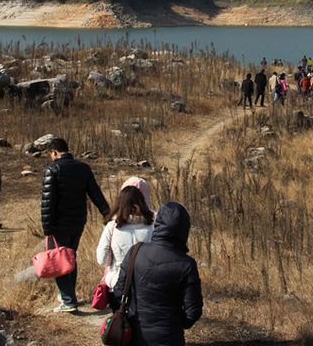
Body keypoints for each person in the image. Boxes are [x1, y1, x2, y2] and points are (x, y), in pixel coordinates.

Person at [113, 202, 203, 346]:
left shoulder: (135, 252)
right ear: (184, 229)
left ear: (158, 224)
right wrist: (175, 324)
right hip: (170, 338)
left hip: (135, 335)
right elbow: (193, 311)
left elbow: (119, 292)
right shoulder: (187, 264)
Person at [41, 138, 111, 313]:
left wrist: (47, 228)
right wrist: (106, 212)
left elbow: (47, 202)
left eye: (51, 154)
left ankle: (68, 300)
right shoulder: (83, 168)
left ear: (54, 152)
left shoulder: (53, 169)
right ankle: (68, 295)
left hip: (58, 224)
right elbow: (95, 193)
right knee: (70, 257)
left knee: (59, 260)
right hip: (78, 222)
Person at [96, 184, 154, 303]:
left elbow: (101, 259)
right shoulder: (152, 227)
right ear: (142, 203)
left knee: (119, 320)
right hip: (146, 284)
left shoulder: (111, 227)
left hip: (117, 283)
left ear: (120, 204)